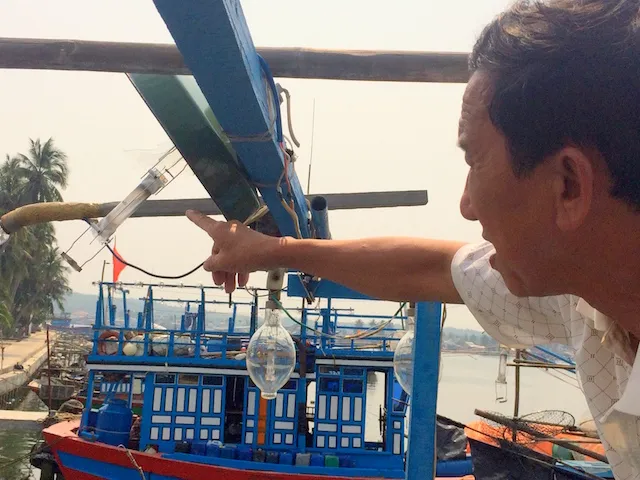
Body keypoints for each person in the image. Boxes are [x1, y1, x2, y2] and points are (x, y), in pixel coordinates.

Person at [187, 0, 640, 477]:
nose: (466, 206)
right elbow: (430, 268)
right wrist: (272, 251)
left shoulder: (575, 294)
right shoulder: (584, 299)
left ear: (568, 186)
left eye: (475, 162)